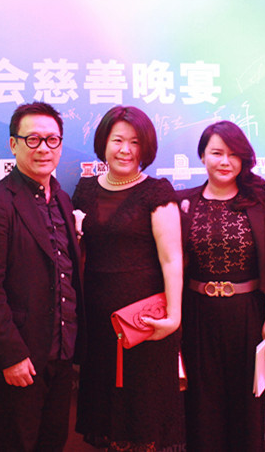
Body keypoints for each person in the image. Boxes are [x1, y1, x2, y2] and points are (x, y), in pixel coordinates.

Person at [0, 102, 82, 451]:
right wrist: (11, 355)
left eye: (52, 140)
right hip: (20, 359)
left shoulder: (62, 199)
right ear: (13, 145)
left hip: (61, 353)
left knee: (54, 442)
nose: (43, 148)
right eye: (32, 139)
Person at [73, 105, 185, 451]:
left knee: (143, 411)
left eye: (135, 142)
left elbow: (172, 259)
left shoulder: (156, 191)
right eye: (117, 140)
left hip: (145, 320)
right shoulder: (85, 190)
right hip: (97, 319)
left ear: (146, 148)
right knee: (105, 411)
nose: (125, 150)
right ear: (103, 143)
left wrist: (174, 317)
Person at [177, 121, 265, 451]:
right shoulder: (183, 203)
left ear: (243, 160)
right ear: (202, 156)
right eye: (216, 153)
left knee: (247, 411)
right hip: (197, 316)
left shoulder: (261, 202)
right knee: (202, 410)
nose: (224, 161)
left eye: (233, 154)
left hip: (248, 316)